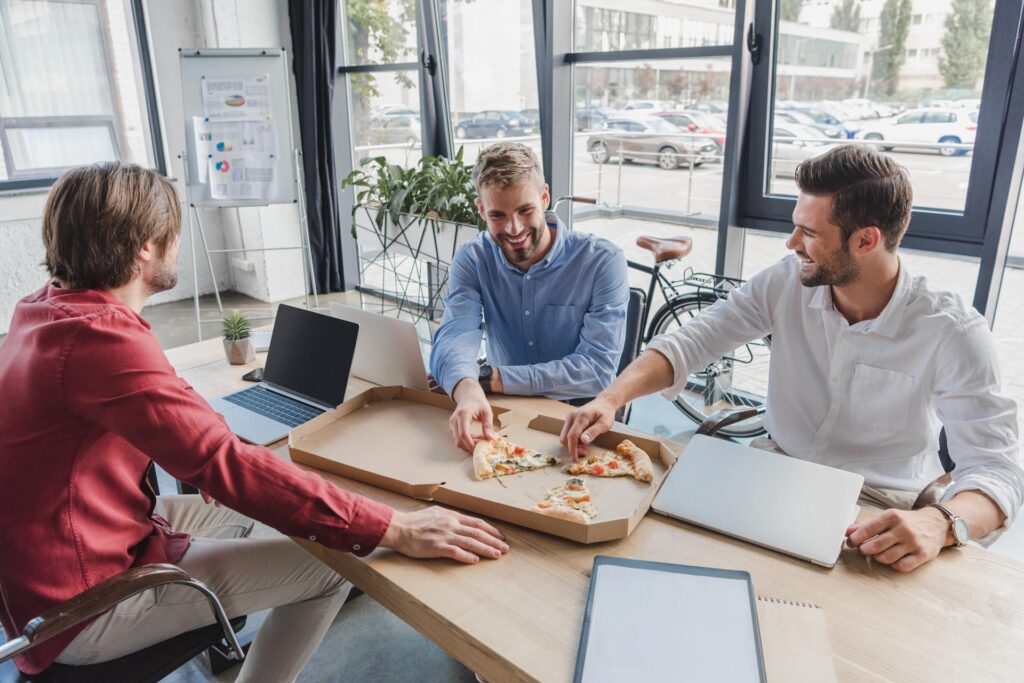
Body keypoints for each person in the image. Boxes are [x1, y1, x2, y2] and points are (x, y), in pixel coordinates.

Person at [0, 162, 508, 681]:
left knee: (281, 516)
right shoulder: (100, 338)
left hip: (83, 547)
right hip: (84, 604)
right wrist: (394, 526)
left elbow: (163, 412)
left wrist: (209, 453)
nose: (178, 245)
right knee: (333, 565)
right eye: (172, 233)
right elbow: (224, 461)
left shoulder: (45, 310)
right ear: (144, 247)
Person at [561, 144, 1024, 573]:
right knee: (665, 558)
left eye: (808, 232)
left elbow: (998, 469)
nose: (791, 244)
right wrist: (610, 397)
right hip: (771, 470)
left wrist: (940, 522)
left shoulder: (952, 329)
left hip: (877, 502)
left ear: (866, 241)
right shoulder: (785, 280)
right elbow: (692, 340)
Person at [429, 142, 629, 452]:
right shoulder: (472, 258)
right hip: (501, 410)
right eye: (497, 215)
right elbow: (455, 333)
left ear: (545, 197)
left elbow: (595, 371)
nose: (514, 228)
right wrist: (467, 387)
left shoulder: (602, 261)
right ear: (481, 210)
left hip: (578, 415)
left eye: (525, 210)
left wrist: (490, 377)